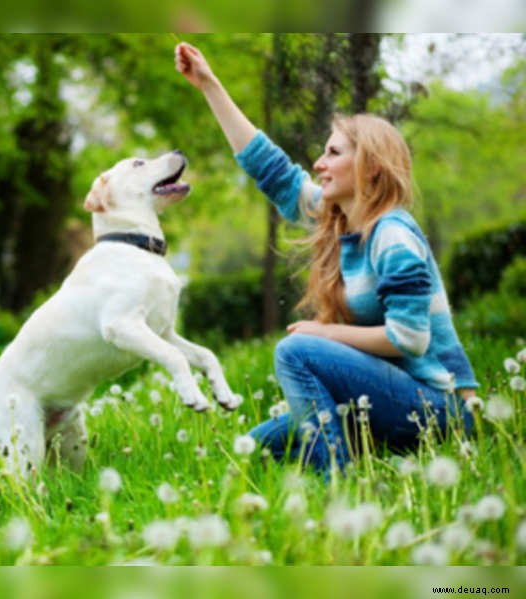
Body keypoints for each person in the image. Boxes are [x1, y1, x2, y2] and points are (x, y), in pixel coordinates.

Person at [174, 41, 478, 477]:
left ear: (371, 166)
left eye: (333, 153)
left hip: (439, 408)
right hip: (388, 398)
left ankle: (337, 481)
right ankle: (343, 458)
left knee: (296, 350)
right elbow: (272, 170)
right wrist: (209, 84)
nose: (318, 163)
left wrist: (326, 332)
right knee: (256, 448)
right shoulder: (343, 222)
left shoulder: (392, 234)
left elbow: (409, 339)